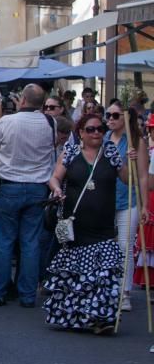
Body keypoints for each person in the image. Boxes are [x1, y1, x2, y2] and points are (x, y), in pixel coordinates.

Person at [45, 113, 134, 334]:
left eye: (100, 129)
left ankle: (100, 319)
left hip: (103, 225)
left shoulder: (111, 152)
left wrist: (130, 161)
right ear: (81, 133)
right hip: (77, 226)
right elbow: (54, 177)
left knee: (103, 273)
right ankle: (75, 315)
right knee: (78, 273)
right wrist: (56, 189)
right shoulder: (71, 153)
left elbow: (126, 179)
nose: (97, 133)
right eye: (91, 129)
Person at [0, 84, 56, 308]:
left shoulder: (8, 121)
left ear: (22, 100)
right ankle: (27, 294)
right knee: (31, 242)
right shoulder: (49, 122)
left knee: (5, 241)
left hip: (10, 185)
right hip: (37, 187)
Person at [104, 102, 149, 311]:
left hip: (127, 200)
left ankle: (125, 293)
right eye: (108, 115)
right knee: (104, 247)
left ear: (125, 118)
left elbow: (141, 176)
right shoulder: (102, 139)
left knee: (125, 247)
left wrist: (144, 206)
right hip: (104, 201)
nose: (110, 119)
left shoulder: (136, 142)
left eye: (115, 115)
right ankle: (107, 289)